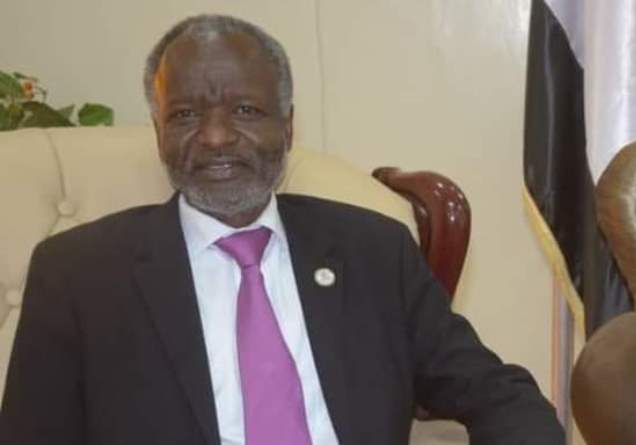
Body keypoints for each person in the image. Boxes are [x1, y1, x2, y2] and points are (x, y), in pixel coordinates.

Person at [0, 14, 563, 445]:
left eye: (245, 111)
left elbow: (495, 392)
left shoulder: (373, 250)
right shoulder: (79, 274)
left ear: (288, 127)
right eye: (186, 115)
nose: (215, 137)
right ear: (158, 132)